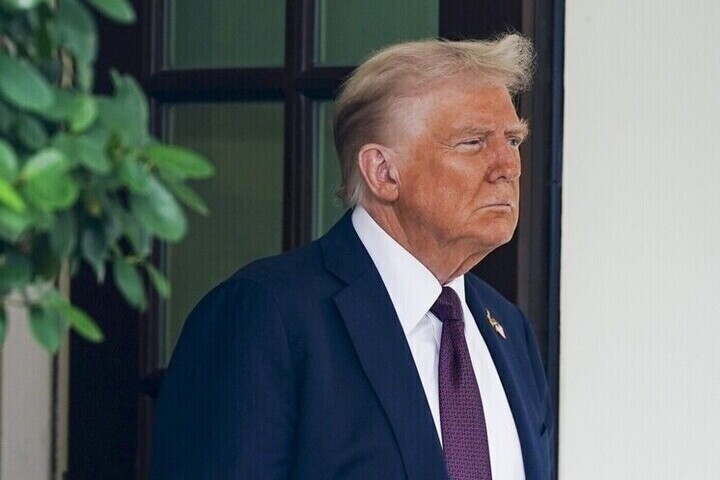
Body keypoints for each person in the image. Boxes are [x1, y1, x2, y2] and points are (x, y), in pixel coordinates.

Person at [150, 33, 553, 480]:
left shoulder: (508, 329)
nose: (508, 167)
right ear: (382, 172)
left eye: (512, 140)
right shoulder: (266, 315)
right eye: (473, 142)